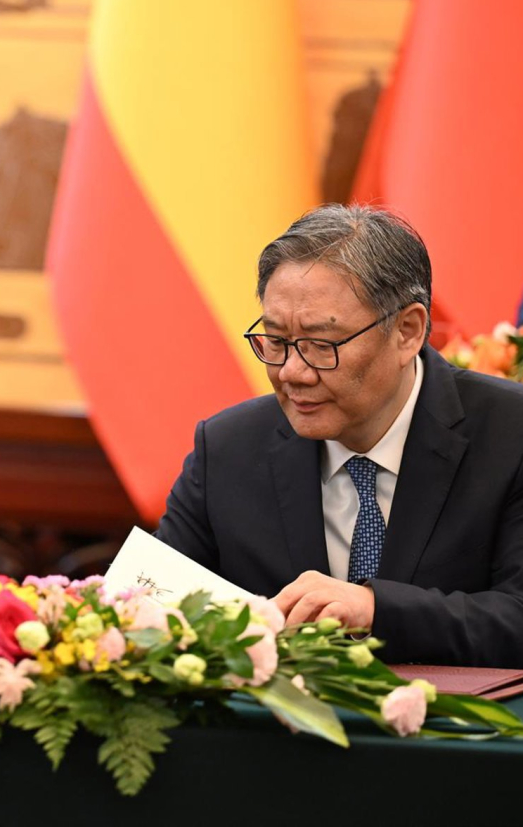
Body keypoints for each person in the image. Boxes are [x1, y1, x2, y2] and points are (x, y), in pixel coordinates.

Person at [156, 204, 523, 667]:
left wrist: (375, 609)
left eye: (321, 344)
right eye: (276, 341)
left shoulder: (510, 433)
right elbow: (151, 601)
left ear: (407, 331)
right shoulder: (228, 449)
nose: (292, 372)